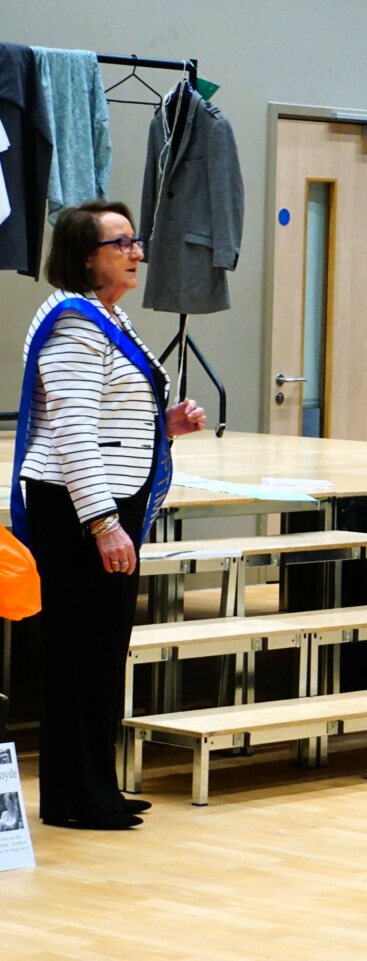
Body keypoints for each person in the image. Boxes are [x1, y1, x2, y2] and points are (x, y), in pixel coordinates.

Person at [11, 200, 206, 830]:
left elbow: (108, 417)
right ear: (84, 256)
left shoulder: (106, 316)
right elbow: (72, 432)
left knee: (101, 650)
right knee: (77, 653)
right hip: (77, 511)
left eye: (134, 240)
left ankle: (98, 785)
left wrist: (163, 425)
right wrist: (102, 523)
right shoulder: (73, 324)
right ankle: (74, 798)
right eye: (120, 243)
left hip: (101, 504)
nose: (136, 252)